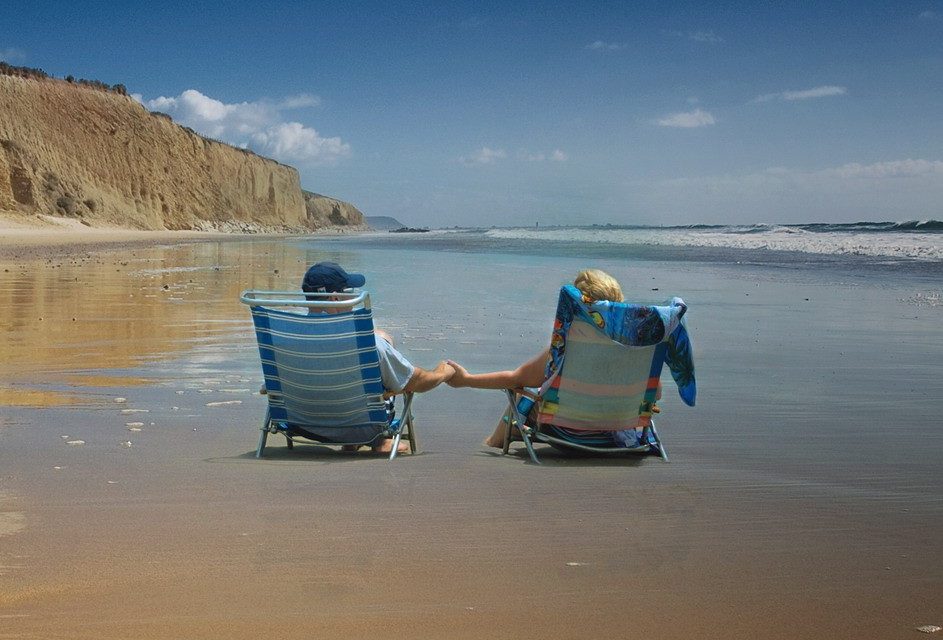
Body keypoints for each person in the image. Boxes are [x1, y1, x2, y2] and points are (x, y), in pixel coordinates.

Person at [446, 268, 628, 448]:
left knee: (519, 391)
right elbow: (655, 394)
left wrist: (466, 379)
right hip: (614, 433)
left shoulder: (565, 348)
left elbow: (514, 378)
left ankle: (494, 442)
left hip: (568, 432)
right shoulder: (633, 352)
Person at [301, 262, 455, 452]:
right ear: (335, 298)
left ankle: (353, 441)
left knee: (381, 338)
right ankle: (379, 441)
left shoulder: (285, 338)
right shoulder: (367, 344)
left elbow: (271, 388)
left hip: (304, 424)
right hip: (360, 426)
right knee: (387, 372)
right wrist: (444, 373)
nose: (354, 295)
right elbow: (416, 381)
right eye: (349, 290)